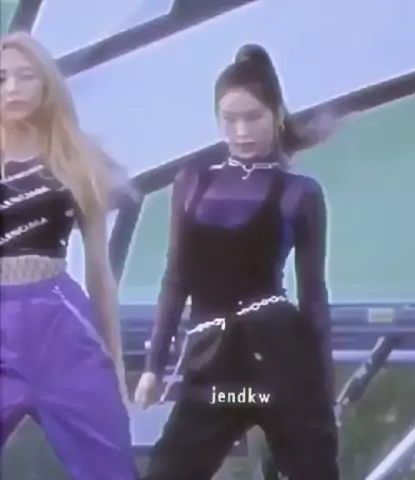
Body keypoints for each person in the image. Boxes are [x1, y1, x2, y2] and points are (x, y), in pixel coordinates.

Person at [135, 44, 340, 479]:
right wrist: (154, 366)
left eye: (253, 117)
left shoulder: (300, 192)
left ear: (277, 114)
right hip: (217, 378)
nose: (242, 131)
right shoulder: (193, 182)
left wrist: (324, 386)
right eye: (230, 119)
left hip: (279, 373)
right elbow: (176, 277)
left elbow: (313, 296)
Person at [0, 32, 137, 479]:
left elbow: (100, 270)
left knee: (110, 465)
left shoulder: (74, 160)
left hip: (60, 325)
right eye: (2, 78)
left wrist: (117, 367)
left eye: (26, 76)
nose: (14, 88)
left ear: (46, 84)